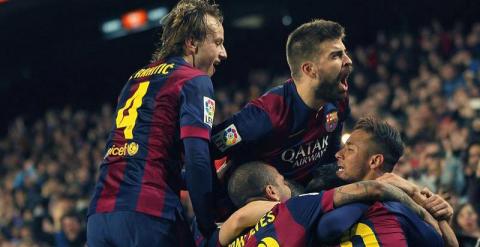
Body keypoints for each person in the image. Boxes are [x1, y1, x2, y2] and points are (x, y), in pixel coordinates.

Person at [86, 0, 227, 246]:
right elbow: (197, 159)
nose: (224, 53)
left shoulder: (134, 80)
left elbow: (147, 158)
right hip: (149, 216)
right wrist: (208, 224)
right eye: (217, 43)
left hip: (99, 217)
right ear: (191, 43)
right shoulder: (194, 79)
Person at [210, 19, 352, 186]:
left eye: (345, 52)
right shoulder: (264, 116)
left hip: (304, 202)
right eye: (336, 55)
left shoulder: (337, 100)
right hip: (257, 207)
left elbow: (331, 157)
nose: (348, 60)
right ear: (309, 70)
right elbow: (206, 149)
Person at [200, 161, 435, 247]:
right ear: (271, 191)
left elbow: (238, 219)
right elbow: (375, 188)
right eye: (283, 182)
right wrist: (415, 197)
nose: (289, 187)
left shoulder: (230, 237)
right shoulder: (295, 209)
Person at [312, 116, 457, 246]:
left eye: (350, 149)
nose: (339, 154)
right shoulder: (328, 186)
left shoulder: (399, 210)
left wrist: (439, 216)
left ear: (375, 161)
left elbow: (448, 244)